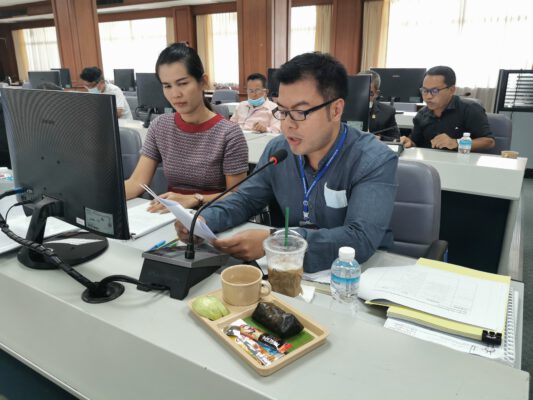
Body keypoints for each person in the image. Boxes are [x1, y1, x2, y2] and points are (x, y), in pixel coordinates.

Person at [176, 52, 398, 273]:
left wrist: (277, 241)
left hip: (356, 276)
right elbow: (245, 199)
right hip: (286, 272)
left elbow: (360, 238)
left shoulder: (373, 159)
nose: (287, 125)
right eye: (282, 111)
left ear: (336, 110)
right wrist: (203, 220)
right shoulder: (279, 150)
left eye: (300, 112)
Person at [124, 43, 249, 211]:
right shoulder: (160, 126)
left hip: (213, 215)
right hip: (170, 215)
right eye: (167, 86)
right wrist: (98, 196)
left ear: (203, 82)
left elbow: (237, 196)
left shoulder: (229, 134)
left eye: (182, 83)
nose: (175, 94)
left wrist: (195, 199)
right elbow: (136, 183)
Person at [400, 66, 495, 151]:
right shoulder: (422, 114)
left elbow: (489, 142)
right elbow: (415, 142)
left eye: (435, 91)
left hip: (463, 163)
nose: (428, 96)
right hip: (430, 163)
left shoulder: (470, 109)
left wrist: (457, 143)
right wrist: (409, 142)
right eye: (425, 90)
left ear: (451, 90)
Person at [359, 70, 400, 141]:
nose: (363, 96)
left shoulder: (387, 112)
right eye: (359, 91)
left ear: (376, 94)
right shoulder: (343, 108)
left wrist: (380, 138)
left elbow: (396, 139)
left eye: (370, 93)